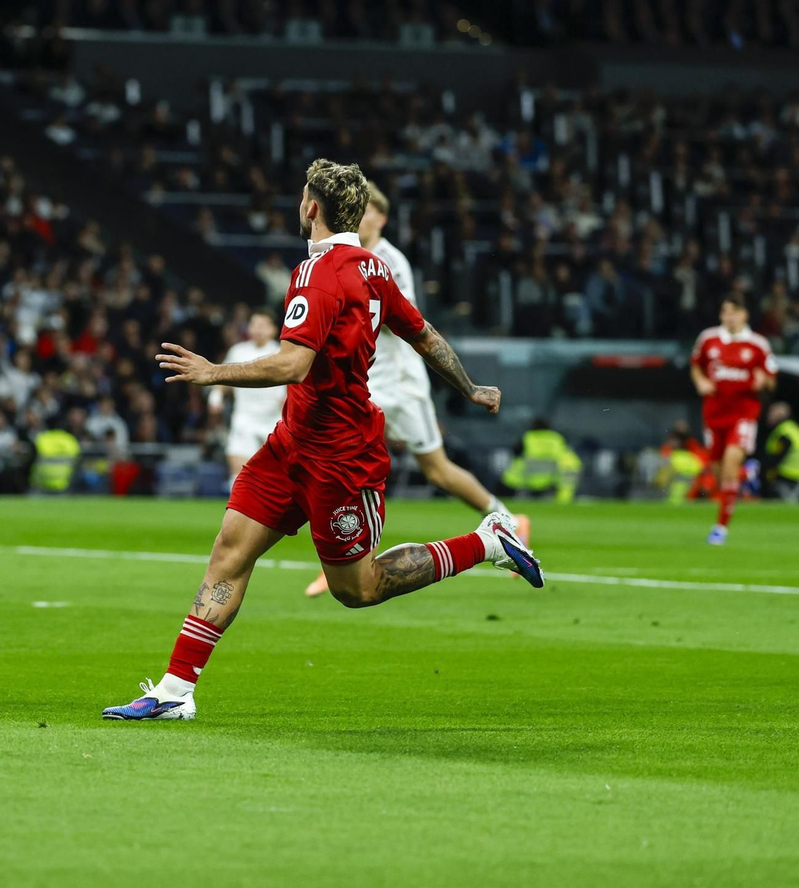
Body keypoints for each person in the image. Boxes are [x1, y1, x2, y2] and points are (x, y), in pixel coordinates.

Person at [103, 160, 540, 722]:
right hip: (291, 445)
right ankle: (174, 690)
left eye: (302, 196)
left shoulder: (317, 273)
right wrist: (471, 386)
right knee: (229, 553)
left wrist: (214, 373)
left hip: (341, 457)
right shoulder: (375, 269)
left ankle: (489, 542)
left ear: (312, 206)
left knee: (359, 589)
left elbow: (293, 362)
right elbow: (424, 335)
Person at [305, 182, 527, 598]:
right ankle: (344, 559)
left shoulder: (389, 261)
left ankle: (505, 520)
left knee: (437, 470)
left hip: (402, 385)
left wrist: (353, 302)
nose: (360, 215)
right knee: (340, 454)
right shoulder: (342, 258)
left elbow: (403, 319)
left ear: (381, 218)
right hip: (371, 382)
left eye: (368, 210)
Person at [690, 296, 777, 545]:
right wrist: (700, 381)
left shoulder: (758, 344)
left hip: (744, 414)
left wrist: (764, 381)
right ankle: (746, 475)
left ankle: (720, 529)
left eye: (734, 312)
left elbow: (772, 379)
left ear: (744, 315)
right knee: (718, 475)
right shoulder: (708, 339)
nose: (729, 317)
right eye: (725, 312)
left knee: (729, 464)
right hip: (714, 415)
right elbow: (696, 365)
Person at [206, 310, 286, 485]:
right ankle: (238, 510)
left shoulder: (281, 353)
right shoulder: (238, 351)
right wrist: (216, 396)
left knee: (277, 475)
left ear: (273, 329)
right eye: (254, 324)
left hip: (275, 420)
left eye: (263, 325)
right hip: (245, 419)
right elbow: (223, 377)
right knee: (239, 471)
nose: (258, 329)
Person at [762, 402, 799, 502]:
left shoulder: (784, 432)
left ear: (779, 414)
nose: (768, 415)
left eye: (772, 412)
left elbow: (777, 457)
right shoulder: (793, 428)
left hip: (786, 475)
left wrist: (763, 468)